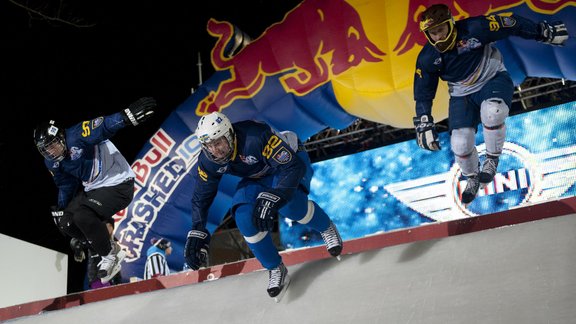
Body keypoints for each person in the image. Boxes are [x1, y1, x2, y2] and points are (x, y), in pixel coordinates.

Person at [412, 4, 569, 204]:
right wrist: (423, 121)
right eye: (432, 33)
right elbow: (423, 93)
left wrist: (542, 32)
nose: (438, 37)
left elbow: (511, 23)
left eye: (441, 30)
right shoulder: (427, 57)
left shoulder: (475, 28)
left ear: (451, 24)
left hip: (492, 77)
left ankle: (492, 160)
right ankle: (472, 178)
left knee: (492, 112)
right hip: (461, 94)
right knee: (459, 144)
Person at [184, 111, 343, 301]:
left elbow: (293, 167)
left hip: (289, 161)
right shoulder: (208, 160)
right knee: (243, 216)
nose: (215, 150)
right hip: (258, 175)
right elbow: (201, 196)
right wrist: (197, 228)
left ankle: (326, 227)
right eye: (209, 146)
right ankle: (275, 267)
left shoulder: (255, 136)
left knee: (290, 206)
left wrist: (277, 195)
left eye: (218, 142)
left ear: (229, 134)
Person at [34, 97, 156, 284]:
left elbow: (103, 126)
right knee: (65, 223)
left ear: (61, 137)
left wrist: (126, 116)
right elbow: (66, 185)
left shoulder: (76, 135)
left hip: (119, 184)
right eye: (46, 150)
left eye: (53, 145)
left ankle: (109, 255)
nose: (51, 152)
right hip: (94, 188)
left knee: (83, 216)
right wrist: (61, 207)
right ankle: (101, 245)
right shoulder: (52, 161)